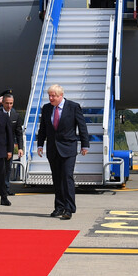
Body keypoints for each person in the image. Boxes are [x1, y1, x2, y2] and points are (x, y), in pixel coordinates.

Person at [36, 84, 89, 220]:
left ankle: (69, 207)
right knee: (57, 179)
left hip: (68, 148)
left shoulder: (73, 107)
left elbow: (82, 127)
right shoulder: (47, 108)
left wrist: (85, 145)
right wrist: (40, 144)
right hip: (53, 149)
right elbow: (43, 128)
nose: (51, 98)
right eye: (49, 95)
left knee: (67, 177)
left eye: (53, 95)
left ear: (61, 96)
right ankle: (58, 207)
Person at [0, 89, 24, 205]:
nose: (9, 106)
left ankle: (6, 189)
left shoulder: (16, 115)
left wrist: (20, 148)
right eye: (7, 103)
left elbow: (18, 132)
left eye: (11, 103)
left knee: (8, 169)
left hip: (9, 148)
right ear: (2, 103)